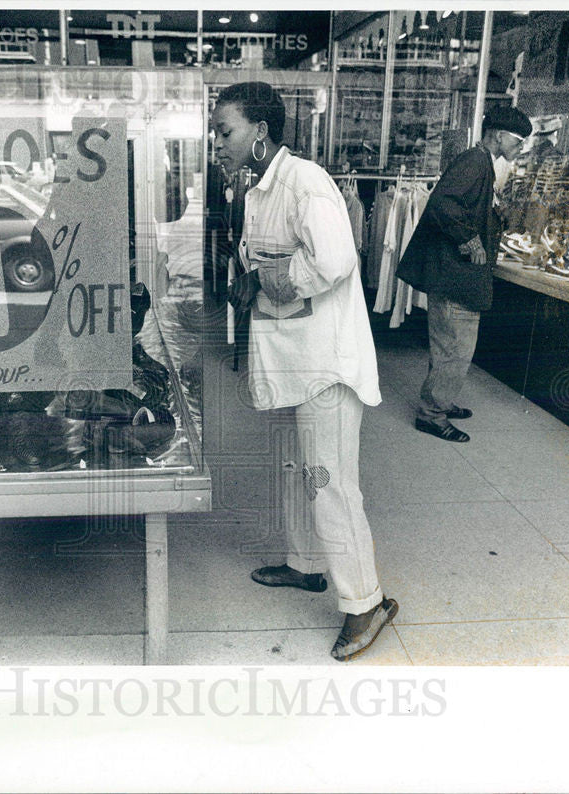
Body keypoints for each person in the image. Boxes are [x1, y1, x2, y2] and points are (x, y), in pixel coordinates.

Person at [213, 81, 397, 662]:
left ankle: (366, 601)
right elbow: (261, 256)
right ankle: (306, 565)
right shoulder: (255, 187)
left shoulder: (307, 182)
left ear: (260, 132)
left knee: (330, 481)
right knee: (297, 468)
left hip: (324, 360)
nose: (216, 142)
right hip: (293, 354)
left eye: (226, 131)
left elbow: (337, 261)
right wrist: (248, 279)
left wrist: (271, 280)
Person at [397, 105, 532, 442]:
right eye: (518, 143)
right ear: (499, 136)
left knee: (448, 345)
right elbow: (443, 204)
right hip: (455, 277)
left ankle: (439, 399)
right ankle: (432, 413)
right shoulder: (475, 162)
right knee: (456, 348)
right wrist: (470, 240)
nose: (519, 150)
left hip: (453, 275)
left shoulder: (480, 162)